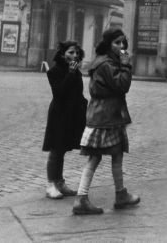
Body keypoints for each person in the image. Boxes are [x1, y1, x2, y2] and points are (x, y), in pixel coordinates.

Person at [72, 28, 139, 215]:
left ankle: (120, 194)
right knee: (95, 157)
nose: (121, 46)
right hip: (105, 117)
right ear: (109, 44)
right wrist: (126, 65)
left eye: (123, 42)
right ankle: (81, 198)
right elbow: (121, 85)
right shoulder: (106, 64)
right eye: (117, 43)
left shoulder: (105, 61)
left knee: (117, 155)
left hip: (109, 116)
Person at [42, 41, 88, 199]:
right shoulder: (54, 71)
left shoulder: (76, 72)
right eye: (70, 52)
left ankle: (60, 182)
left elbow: (78, 92)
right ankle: (50, 184)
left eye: (76, 53)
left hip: (72, 113)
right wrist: (70, 73)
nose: (74, 56)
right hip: (59, 114)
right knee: (56, 149)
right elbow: (59, 93)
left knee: (63, 149)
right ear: (62, 54)